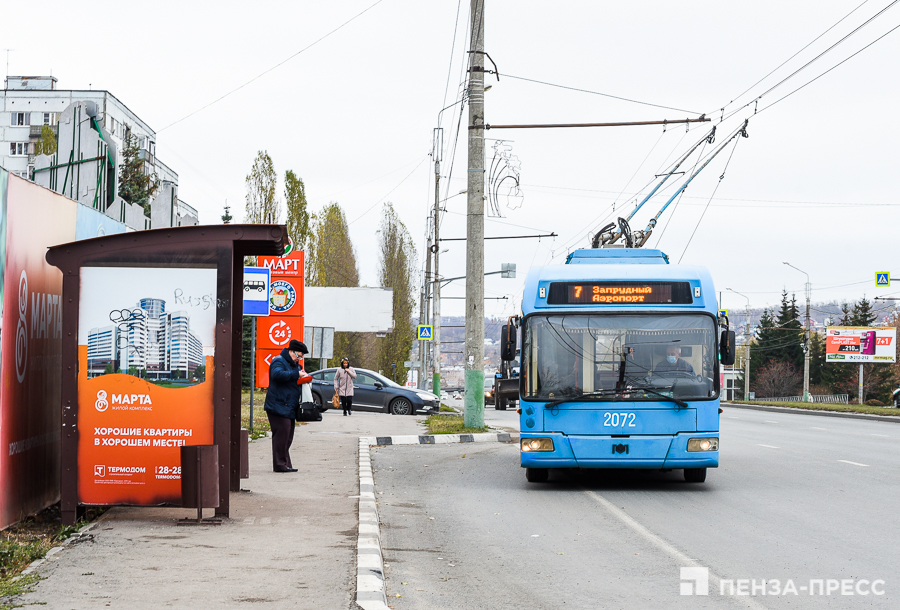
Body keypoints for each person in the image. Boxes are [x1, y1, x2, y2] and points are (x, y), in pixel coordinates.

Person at [264, 339, 308, 472]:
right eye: (299, 355)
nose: (299, 358)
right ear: (291, 351)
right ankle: (279, 465)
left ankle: (286, 464)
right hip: (278, 405)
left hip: (288, 406)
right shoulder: (279, 361)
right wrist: (296, 374)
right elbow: (276, 374)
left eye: (301, 356)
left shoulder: (295, 365)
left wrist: (302, 377)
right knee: (281, 437)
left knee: (287, 437)